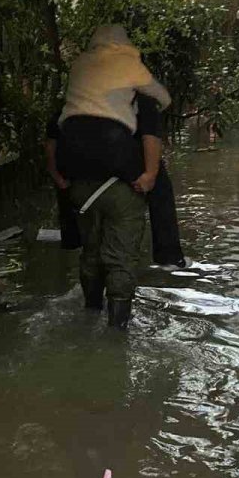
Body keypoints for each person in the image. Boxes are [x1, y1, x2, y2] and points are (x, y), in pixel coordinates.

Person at [48, 24, 171, 328]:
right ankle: (116, 334)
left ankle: (90, 314)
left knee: (91, 250)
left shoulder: (76, 87)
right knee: (121, 256)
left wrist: (58, 177)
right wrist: (151, 175)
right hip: (121, 187)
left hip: (77, 182)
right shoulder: (136, 83)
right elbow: (153, 128)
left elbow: (51, 140)